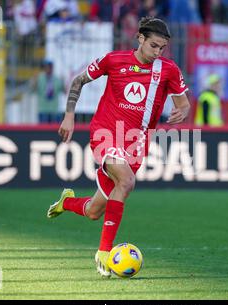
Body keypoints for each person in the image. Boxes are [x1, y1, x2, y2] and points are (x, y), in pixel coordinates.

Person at [46, 17, 190, 277]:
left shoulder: (168, 69)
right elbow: (78, 81)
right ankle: (104, 251)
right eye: (154, 46)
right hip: (105, 133)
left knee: (93, 211)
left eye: (162, 48)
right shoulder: (113, 60)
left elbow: (184, 103)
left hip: (137, 144)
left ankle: (66, 203)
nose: (157, 52)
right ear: (140, 39)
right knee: (126, 182)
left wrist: (182, 111)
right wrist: (69, 115)